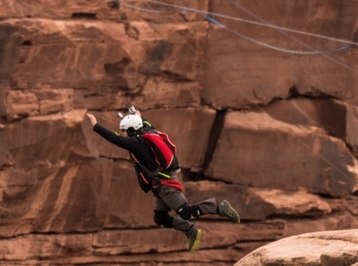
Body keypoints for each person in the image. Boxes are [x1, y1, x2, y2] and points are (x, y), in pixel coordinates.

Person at [82, 108, 240, 252]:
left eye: (124, 130)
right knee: (160, 217)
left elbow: (115, 139)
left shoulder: (137, 143)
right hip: (159, 185)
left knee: (185, 211)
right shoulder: (147, 131)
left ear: (130, 130)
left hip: (165, 184)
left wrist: (96, 125)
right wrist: (138, 115)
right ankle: (191, 230)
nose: (122, 133)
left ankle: (220, 209)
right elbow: (145, 123)